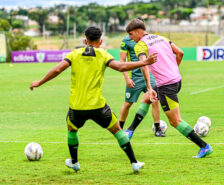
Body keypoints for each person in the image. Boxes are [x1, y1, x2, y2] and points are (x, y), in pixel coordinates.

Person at [29, 26, 157, 173]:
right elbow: (121, 67)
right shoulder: (103, 54)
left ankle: (74, 162)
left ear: (85, 40)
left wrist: (39, 82)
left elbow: (57, 70)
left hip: (77, 106)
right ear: (100, 41)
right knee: (117, 130)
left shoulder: (74, 54)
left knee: (72, 129)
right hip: (98, 106)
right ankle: (134, 162)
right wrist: (144, 62)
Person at [126, 19, 213, 158]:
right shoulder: (162, 38)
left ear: (138, 31)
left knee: (175, 121)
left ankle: (204, 146)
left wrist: (149, 87)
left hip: (166, 85)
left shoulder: (140, 45)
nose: (130, 38)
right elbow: (180, 53)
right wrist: (173, 69)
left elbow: (144, 65)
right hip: (176, 80)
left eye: (131, 34)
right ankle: (129, 131)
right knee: (147, 99)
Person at [119, 30, 165, 139]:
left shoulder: (148, 39)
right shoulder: (126, 40)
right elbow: (122, 60)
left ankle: (157, 129)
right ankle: (119, 128)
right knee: (128, 103)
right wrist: (127, 78)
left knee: (155, 100)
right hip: (134, 77)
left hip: (150, 75)